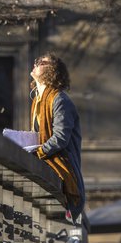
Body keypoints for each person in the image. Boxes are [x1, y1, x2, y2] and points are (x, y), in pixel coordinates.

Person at [29, 53, 85, 223]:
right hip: (46, 163)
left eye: (41, 62)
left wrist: (38, 151)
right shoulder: (38, 100)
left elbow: (60, 138)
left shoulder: (59, 100)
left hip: (61, 167)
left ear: (52, 70)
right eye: (37, 60)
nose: (36, 63)